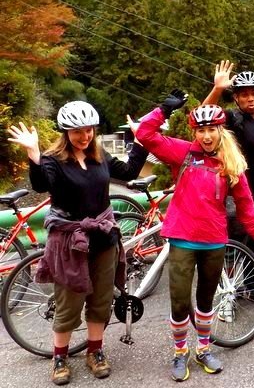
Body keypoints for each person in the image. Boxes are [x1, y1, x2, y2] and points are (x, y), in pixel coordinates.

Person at [7, 101, 148, 385]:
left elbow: (131, 171)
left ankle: (95, 351)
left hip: (103, 238)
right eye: (77, 131)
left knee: (101, 300)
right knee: (68, 302)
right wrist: (33, 154)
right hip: (70, 241)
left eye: (89, 130)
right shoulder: (53, 160)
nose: (85, 136)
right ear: (65, 132)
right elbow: (41, 185)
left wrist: (140, 139)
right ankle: (59, 356)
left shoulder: (100, 155)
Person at [136, 94, 254, 382]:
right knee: (180, 302)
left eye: (212, 130)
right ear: (194, 132)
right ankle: (180, 352)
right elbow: (145, 133)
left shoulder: (231, 162)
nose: (207, 136)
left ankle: (203, 349)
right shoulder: (182, 153)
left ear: (221, 130)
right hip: (182, 238)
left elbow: (244, 201)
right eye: (201, 130)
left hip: (214, 239)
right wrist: (164, 108)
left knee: (206, 301)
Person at [203, 62, 254, 305]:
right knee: (232, 247)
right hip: (237, 197)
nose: (250, 98)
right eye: (244, 94)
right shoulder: (231, 119)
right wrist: (217, 89)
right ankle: (227, 294)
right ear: (236, 98)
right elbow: (202, 116)